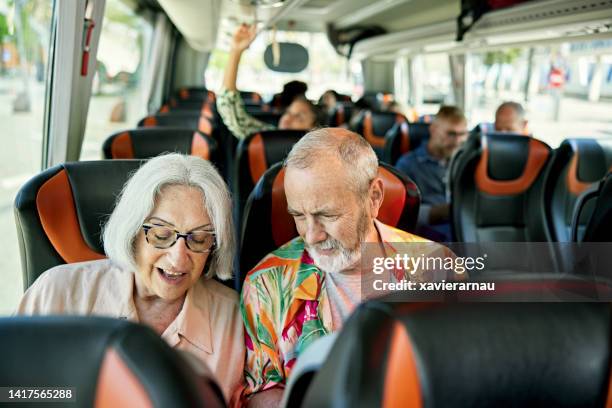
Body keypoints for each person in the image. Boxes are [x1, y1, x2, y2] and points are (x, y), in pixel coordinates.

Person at [238, 128, 461, 407]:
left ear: (374, 197)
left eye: (327, 215)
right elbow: (259, 391)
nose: (311, 235)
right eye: (298, 216)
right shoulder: (265, 283)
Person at [16, 153, 244, 404]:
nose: (179, 259)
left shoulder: (235, 317)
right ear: (133, 230)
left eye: (199, 239)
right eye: (160, 235)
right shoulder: (56, 291)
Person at [216, 24, 324, 139]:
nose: (287, 119)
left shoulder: (321, 153)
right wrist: (236, 51)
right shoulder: (266, 137)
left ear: (314, 131)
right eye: (288, 113)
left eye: (299, 117)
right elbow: (229, 109)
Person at [395, 105, 468, 242]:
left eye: (462, 134)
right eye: (451, 134)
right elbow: (401, 215)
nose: (457, 141)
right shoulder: (409, 164)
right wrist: (445, 211)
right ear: (433, 130)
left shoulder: (466, 165)